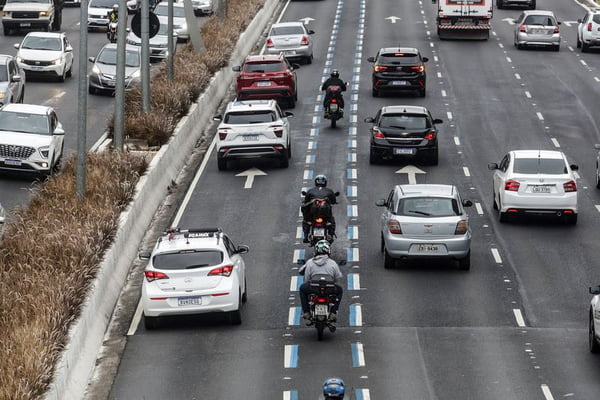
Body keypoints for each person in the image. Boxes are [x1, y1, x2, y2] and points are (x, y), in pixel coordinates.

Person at [299, 240, 343, 325]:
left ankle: (306, 312)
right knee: (340, 290)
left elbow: (307, 278)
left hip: (313, 288)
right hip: (329, 289)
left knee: (302, 289)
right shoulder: (333, 263)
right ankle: (333, 313)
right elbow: (338, 277)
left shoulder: (310, 262)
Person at [301, 174, 337, 243]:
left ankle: (305, 236)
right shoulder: (329, 191)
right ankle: (330, 235)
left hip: (313, 212)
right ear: (325, 182)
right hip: (325, 212)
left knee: (306, 221)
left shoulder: (310, 191)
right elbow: (333, 201)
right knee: (331, 221)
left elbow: (306, 202)